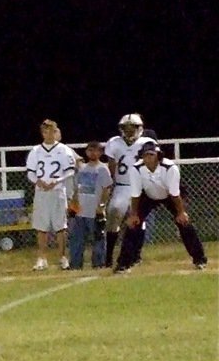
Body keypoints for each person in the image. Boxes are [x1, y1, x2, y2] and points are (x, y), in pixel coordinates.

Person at [114, 142, 207, 273]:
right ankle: (124, 263)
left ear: (158, 155)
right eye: (145, 155)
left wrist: (181, 212)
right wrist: (134, 214)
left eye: (151, 155)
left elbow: (175, 193)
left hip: (170, 195)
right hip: (147, 195)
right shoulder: (136, 168)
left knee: (185, 224)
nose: (148, 158)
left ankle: (200, 259)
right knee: (133, 225)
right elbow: (136, 194)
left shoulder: (170, 168)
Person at [103, 113, 155, 268]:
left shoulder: (147, 142)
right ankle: (109, 256)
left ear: (139, 128)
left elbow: (153, 161)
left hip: (139, 187)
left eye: (132, 128)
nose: (129, 131)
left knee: (138, 220)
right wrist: (111, 181)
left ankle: (136, 255)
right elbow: (111, 164)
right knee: (114, 212)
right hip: (122, 186)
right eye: (126, 128)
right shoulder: (114, 142)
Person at [25, 119, 76, 271]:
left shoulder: (64, 150)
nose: (49, 134)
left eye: (52, 131)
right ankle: (42, 258)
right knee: (42, 227)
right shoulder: (36, 151)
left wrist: (57, 180)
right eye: (46, 131)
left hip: (58, 191)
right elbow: (30, 172)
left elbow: (70, 170)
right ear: (42, 133)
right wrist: (38, 182)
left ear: (56, 132)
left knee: (61, 226)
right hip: (41, 192)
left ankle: (62, 257)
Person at [67, 142, 112, 270]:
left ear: (100, 153)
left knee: (98, 238)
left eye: (96, 150)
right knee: (77, 239)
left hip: (94, 210)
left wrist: (101, 206)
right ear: (86, 152)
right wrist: (73, 206)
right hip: (81, 211)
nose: (93, 153)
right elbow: (77, 189)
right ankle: (75, 264)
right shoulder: (82, 169)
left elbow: (106, 189)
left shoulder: (103, 169)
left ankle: (98, 263)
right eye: (90, 150)